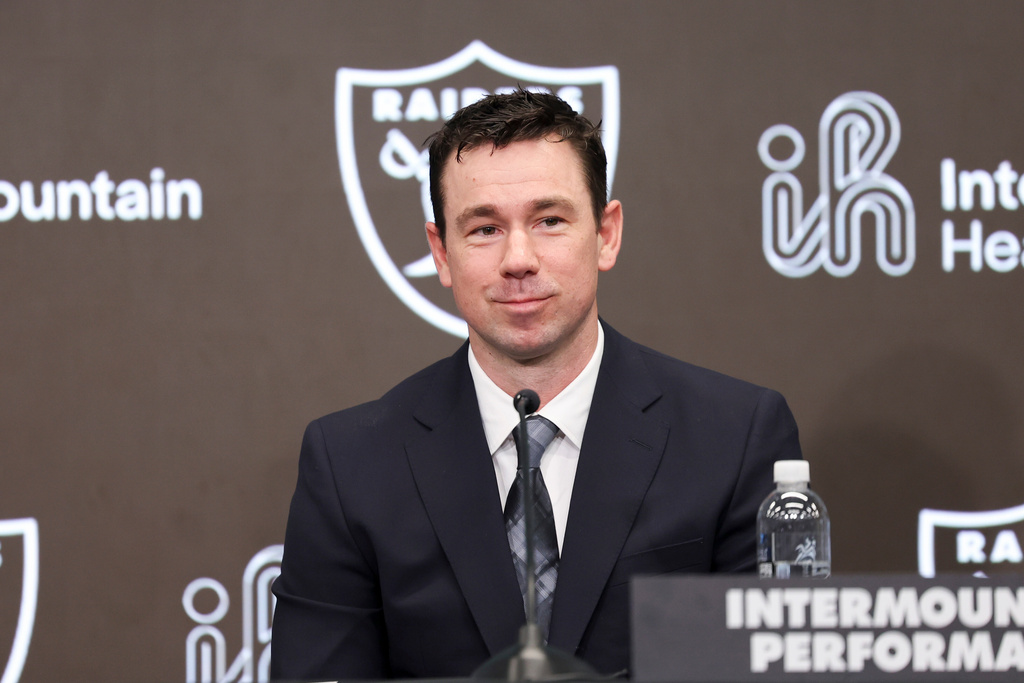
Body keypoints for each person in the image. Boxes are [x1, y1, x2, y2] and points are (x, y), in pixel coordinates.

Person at [270, 90, 802, 680]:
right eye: (484, 229)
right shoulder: (351, 464)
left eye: (550, 221)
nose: (518, 259)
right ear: (441, 253)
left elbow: (767, 671)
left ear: (606, 234)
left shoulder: (735, 437)